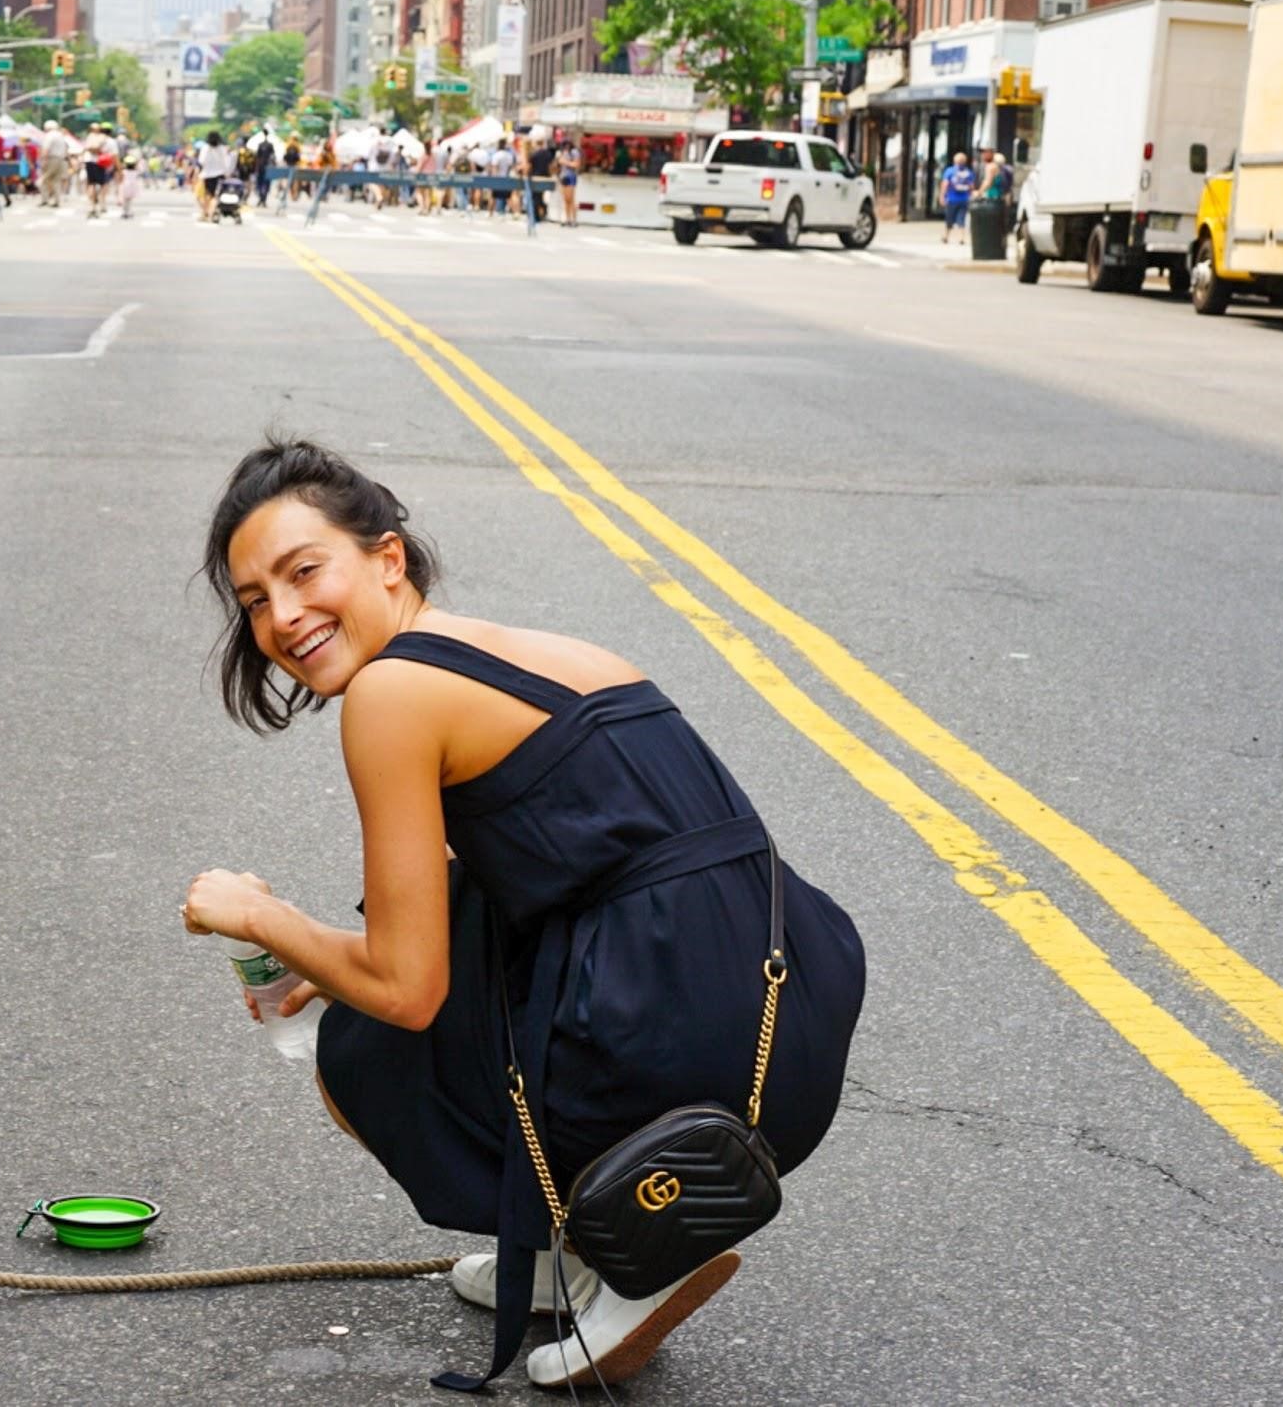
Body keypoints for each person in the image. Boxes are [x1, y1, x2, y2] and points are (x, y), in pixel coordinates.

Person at [183, 440, 863, 1392]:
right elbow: (483, 911)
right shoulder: (530, 653)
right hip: (781, 1014)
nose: (284, 616)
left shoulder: (390, 694)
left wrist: (258, 918)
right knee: (416, 972)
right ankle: (576, 1250)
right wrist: (329, 951)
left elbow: (408, 990)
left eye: (304, 572)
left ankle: (640, 1242)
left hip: (687, 1048)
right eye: (255, 600)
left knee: (363, 1048)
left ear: (387, 559)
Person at [938, 150, 976, 244]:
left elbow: (945, 184)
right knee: (961, 218)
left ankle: (946, 236)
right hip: (964, 199)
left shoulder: (950, 171)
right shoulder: (968, 172)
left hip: (952, 198)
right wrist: (972, 196)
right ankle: (961, 238)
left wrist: (942, 196)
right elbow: (971, 186)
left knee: (949, 218)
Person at [196, 130, 235, 222]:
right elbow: (227, 162)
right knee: (215, 196)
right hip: (220, 175)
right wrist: (227, 173)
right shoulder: (222, 148)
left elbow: (201, 161)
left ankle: (206, 213)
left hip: (207, 175)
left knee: (206, 195)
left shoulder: (205, 148)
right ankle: (211, 213)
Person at [557, 138, 582, 226]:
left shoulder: (574, 152)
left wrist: (565, 162)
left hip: (571, 176)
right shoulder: (562, 152)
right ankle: (567, 219)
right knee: (566, 200)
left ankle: (574, 219)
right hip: (563, 176)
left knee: (571, 199)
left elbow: (576, 164)